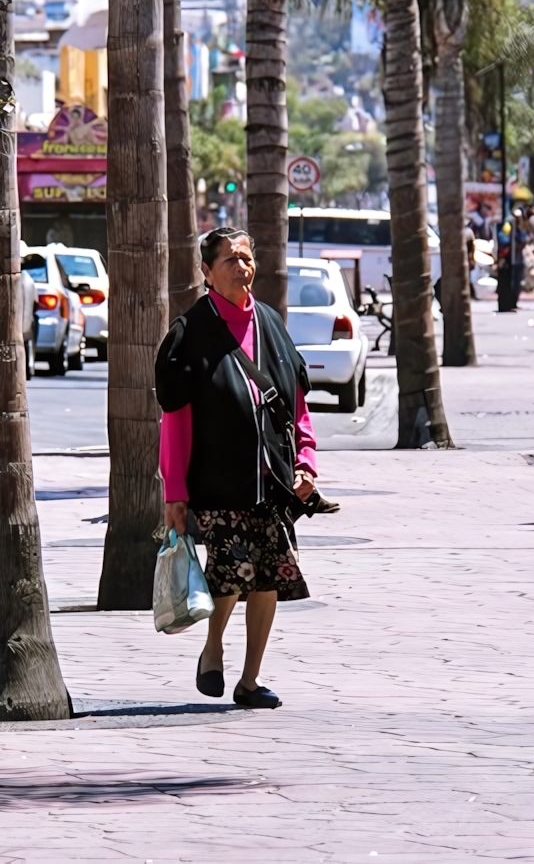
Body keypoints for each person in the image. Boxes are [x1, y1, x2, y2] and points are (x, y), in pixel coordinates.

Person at [155, 228, 319, 710]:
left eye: (246, 257)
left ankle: (249, 681)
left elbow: (297, 402)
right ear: (206, 272)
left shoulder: (270, 322)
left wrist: (306, 462)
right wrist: (176, 493)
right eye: (229, 259)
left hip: (273, 478)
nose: (241, 267)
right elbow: (175, 421)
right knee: (230, 572)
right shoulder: (189, 333)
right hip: (218, 481)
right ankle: (212, 648)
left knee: (268, 577)